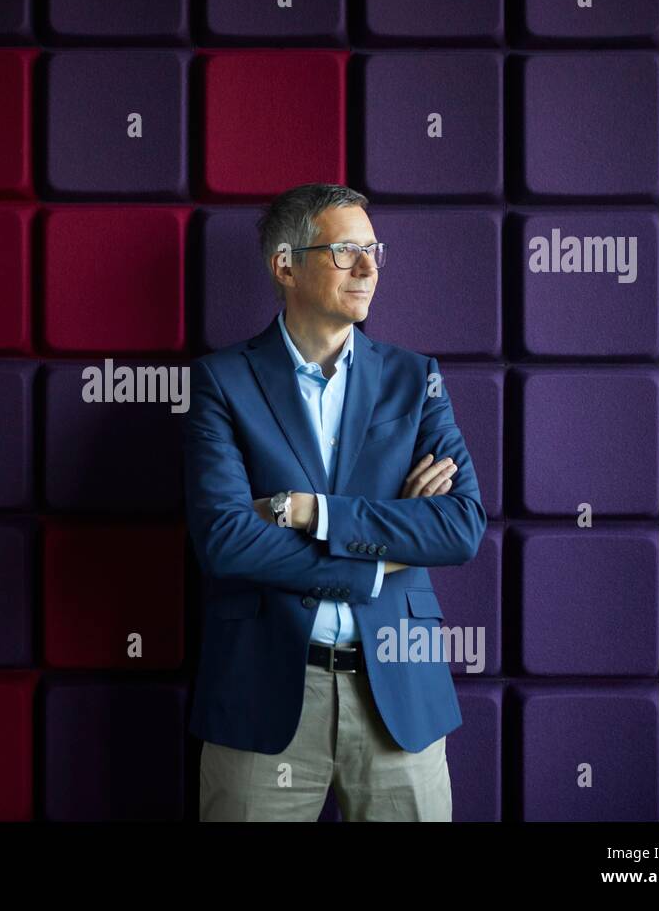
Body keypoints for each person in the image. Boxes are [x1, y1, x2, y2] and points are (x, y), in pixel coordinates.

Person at [184, 182, 487, 821]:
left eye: (374, 249)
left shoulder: (415, 377)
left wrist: (310, 511)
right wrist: (379, 559)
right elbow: (227, 540)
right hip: (261, 698)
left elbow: (459, 527)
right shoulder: (220, 380)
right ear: (286, 265)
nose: (370, 267)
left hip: (399, 699)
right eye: (347, 250)